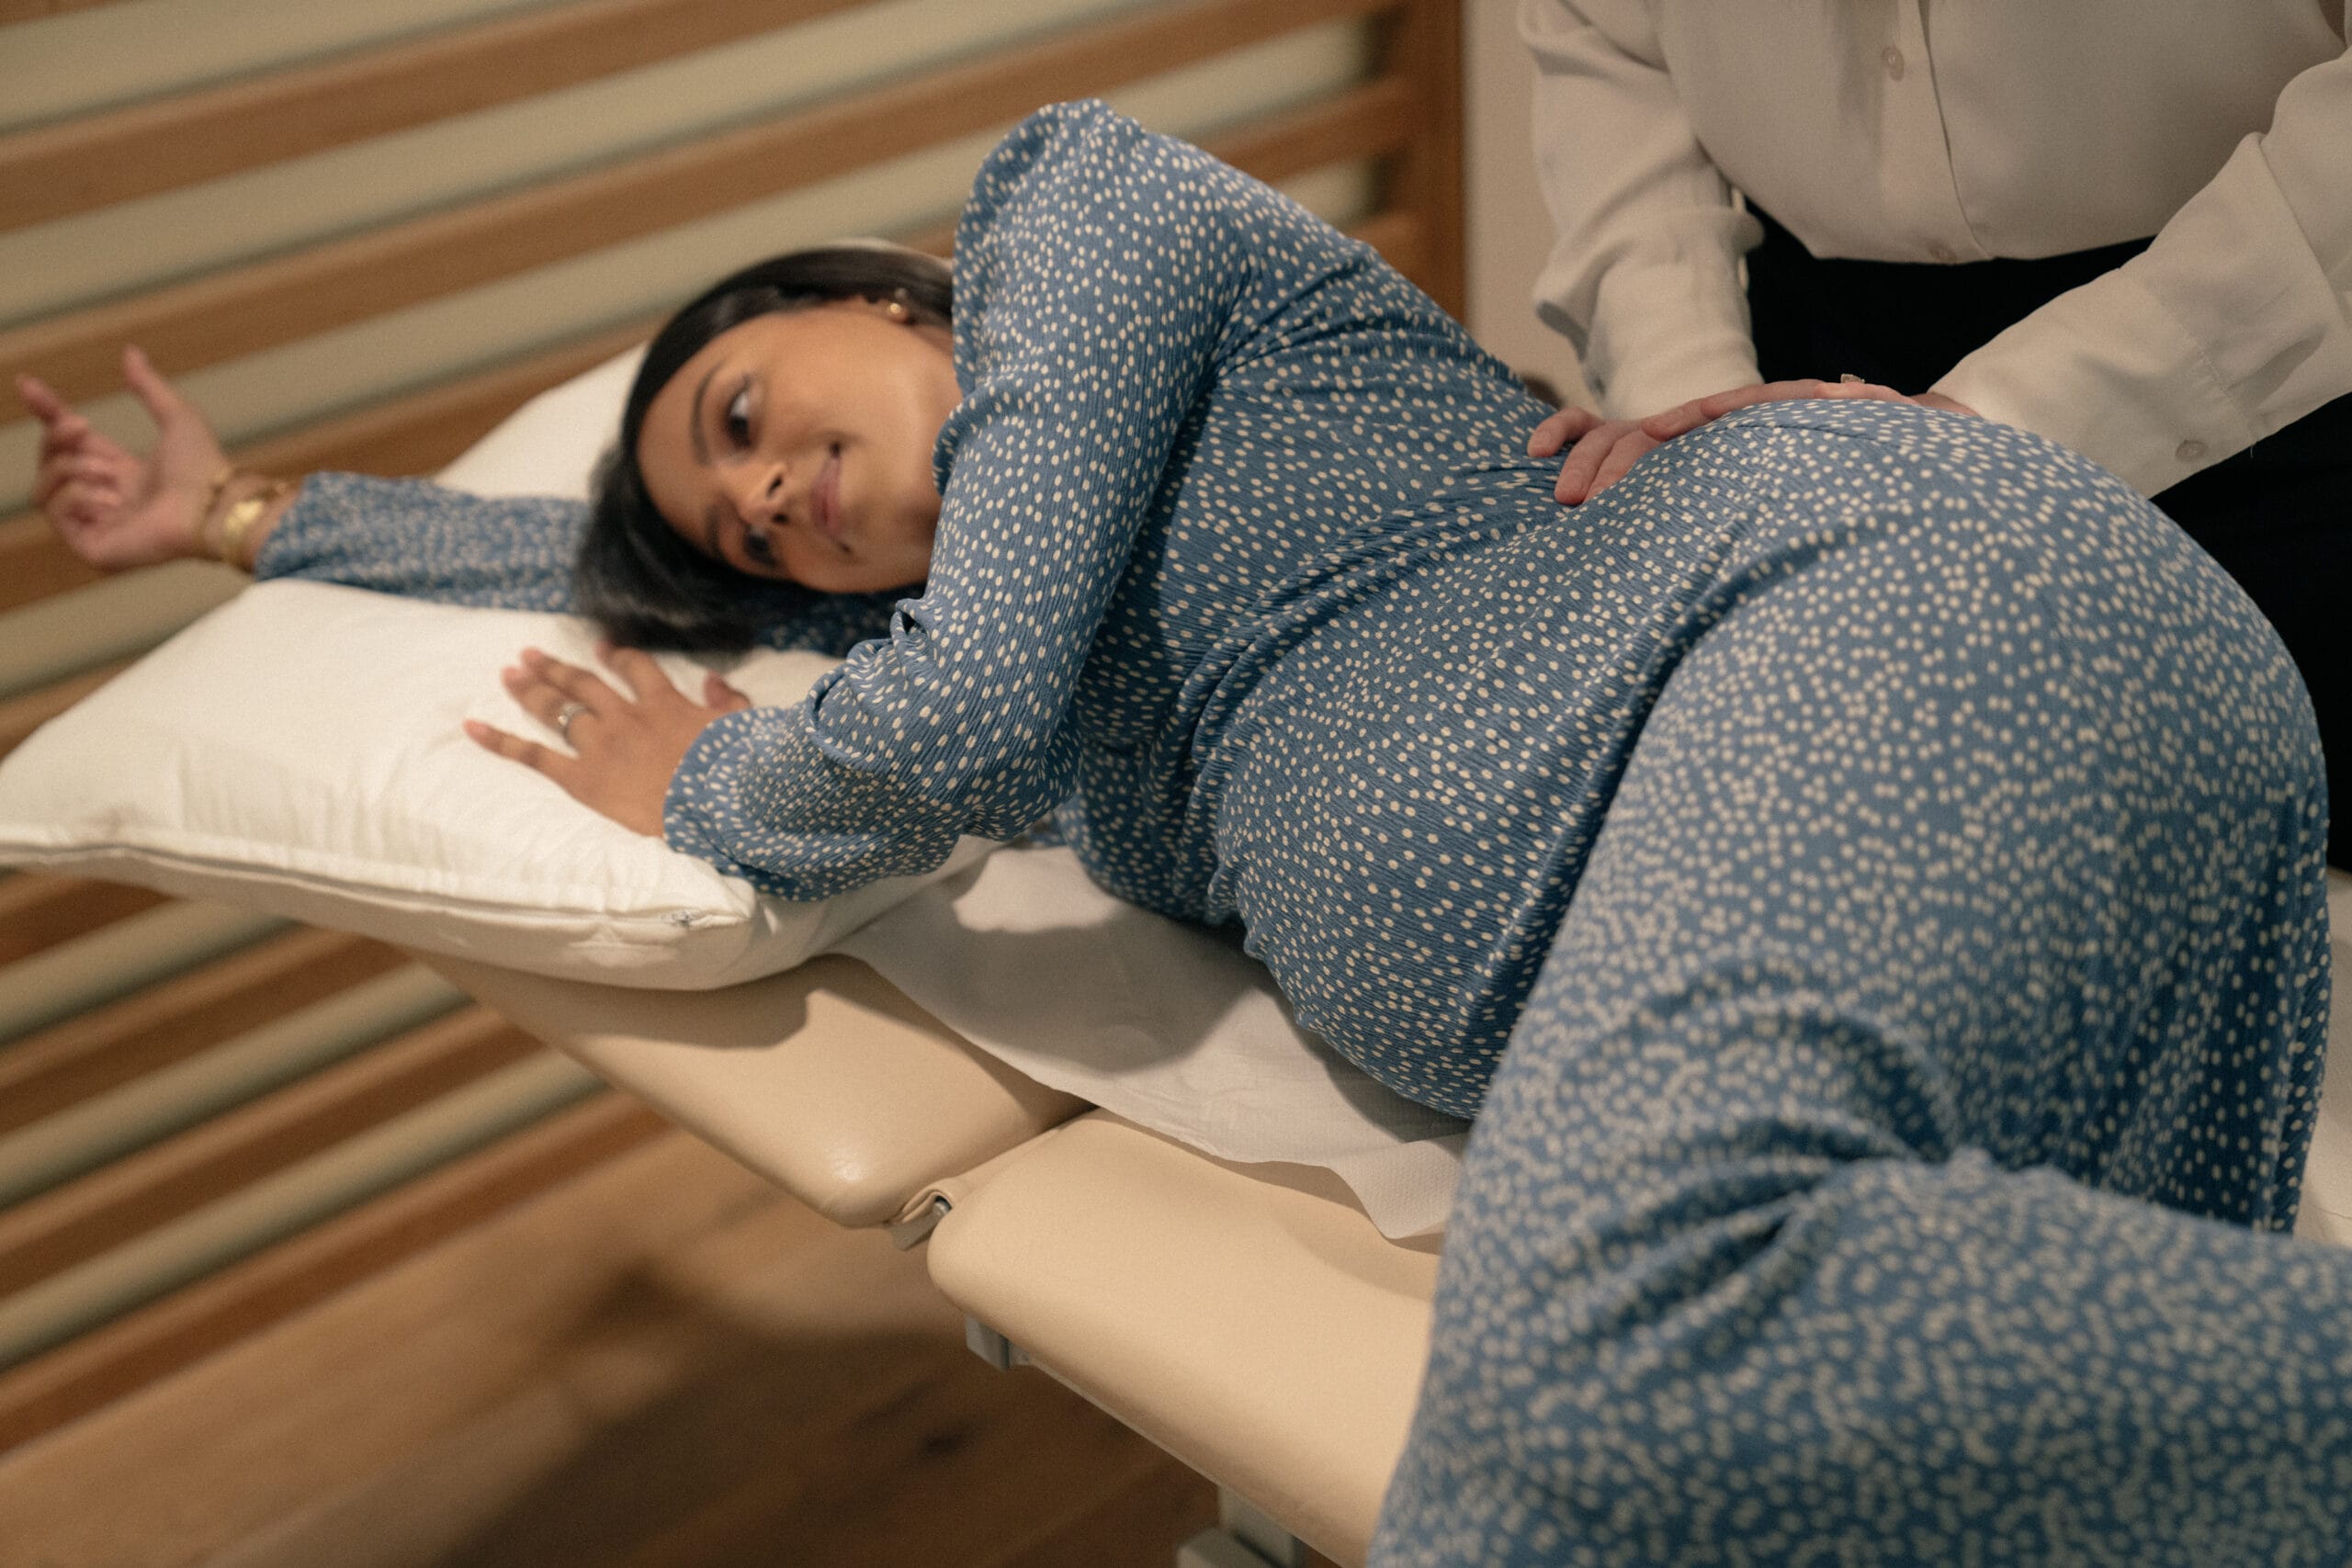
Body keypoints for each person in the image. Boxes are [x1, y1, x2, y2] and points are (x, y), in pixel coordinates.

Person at [22, 100, 2350, 1563]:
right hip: (1937, 786)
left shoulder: (1079, 202)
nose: (760, 487)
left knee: (1591, 1379)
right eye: (745, 525)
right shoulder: (1000, 695)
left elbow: (955, 695)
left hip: (1840, 612)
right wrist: (231, 512)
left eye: (747, 405)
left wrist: (713, 783)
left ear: (864, 294)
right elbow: (579, 561)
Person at [1518, 1, 2352, 869]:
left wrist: (1985, 427)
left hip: (2278, 364)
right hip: (1791, 387)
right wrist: (1691, 413)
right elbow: (1609, 41)